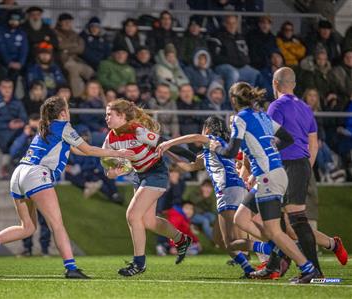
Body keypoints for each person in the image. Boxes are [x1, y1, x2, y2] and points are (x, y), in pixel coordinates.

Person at [0, 96, 134, 279]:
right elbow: (88, 150)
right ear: (62, 113)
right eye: (67, 109)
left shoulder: (46, 127)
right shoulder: (64, 127)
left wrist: (106, 154)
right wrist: (118, 153)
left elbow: (77, 150)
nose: (69, 112)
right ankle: (71, 268)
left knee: (27, 227)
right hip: (37, 174)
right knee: (57, 225)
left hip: (19, 174)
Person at [209, 81, 322, 283]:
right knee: (241, 218)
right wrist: (267, 150)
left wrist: (215, 147)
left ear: (233, 99)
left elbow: (231, 152)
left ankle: (307, 268)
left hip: (268, 176)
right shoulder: (262, 115)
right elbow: (287, 139)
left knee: (274, 231)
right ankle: (279, 254)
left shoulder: (239, 118)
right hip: (273, 173)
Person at [258, 68, 348, 277]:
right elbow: (313, 144)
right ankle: (276, 266)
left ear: (275, 84)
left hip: (286, 166)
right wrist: (305, 168)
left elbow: (269, 141)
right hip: (300, 165)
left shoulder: (276, 106)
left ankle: (315, 269)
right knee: (282, 222)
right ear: (294, 85)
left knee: (295, 221)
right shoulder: (306, 108)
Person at [157, 116, 258, 278]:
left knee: (230, 241)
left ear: (208, 129)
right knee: (219, 239)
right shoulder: (214, 150)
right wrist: (167, 152)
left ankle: (271, 250)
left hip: (228, 189)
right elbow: (189, 167)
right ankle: (252, 266)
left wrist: (168, 142)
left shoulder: (212, 140)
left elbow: (196, 137)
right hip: (236, 188)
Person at [103, 99, 194, 276]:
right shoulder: (110, 138)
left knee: (132, 215)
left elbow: (167, 143)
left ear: (121, 116)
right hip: (139, 175)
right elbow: (108, 168)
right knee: (149, 222)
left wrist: (193, 158)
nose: (106, 118)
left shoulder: (138, 131)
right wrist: (113, 173)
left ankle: (139, 263)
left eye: (109, 114)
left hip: (156, 172)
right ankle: (181, 239)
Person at [209, 15, 260, 94]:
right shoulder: (217, 36)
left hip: (239, 66)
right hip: (222, 67)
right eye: (229, 23)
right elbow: (215, 58)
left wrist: (242, 62)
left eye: (234, 23)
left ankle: (248, 101)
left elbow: (246, 57)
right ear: (224, 24)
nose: (232, 26)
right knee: (233, 74)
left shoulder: (240, 37)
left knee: (254, 73)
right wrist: (234, 62)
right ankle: (231, 103)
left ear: (237, 24)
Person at [54, 13, 94, 97]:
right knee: (74, 70)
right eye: (65, 22)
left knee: (91, 72)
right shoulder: (54, 32)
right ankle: (78, 97)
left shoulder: (74, 34)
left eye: (70, 22)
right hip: (63, 60)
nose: (68, 24)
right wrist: (73, 45)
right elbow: (59, 45)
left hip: (76, 60)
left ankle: (92, 97)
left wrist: (66, 49)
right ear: (59, 22)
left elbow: (81, 48)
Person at [0, 10, 28, 86]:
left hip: (17, 64)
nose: (14, 22)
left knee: (13, 84)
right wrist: (8, 62)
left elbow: (24, 49)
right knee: (1, 83)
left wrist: (21, 63)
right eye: (12, 20)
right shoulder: (0, 30)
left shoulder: (22, 33)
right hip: (2, 63)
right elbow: (1, 48)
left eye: (16, 20)